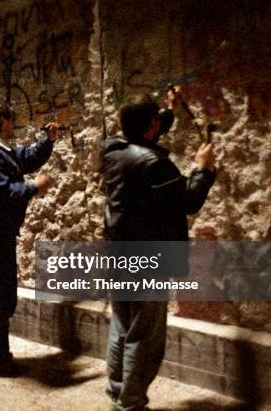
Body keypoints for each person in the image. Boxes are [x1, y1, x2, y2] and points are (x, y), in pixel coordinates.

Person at [100, 91, 216, 411]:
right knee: (145, 337)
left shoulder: (112, 150)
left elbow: (143, 135)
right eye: (156, 122)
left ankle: (118, 391)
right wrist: (203, 169)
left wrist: (168, 112)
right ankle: (132, 403)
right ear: (150, 126)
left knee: (122, 326)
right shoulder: (156, 164)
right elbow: (189, 201)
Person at [0, 103, 58, 377]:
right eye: (10, 120)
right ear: (0, 122)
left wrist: (48, 142)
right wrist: (33, 187)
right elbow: (2, 195)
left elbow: (26, 158)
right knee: (2, 295)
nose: (14, 123)